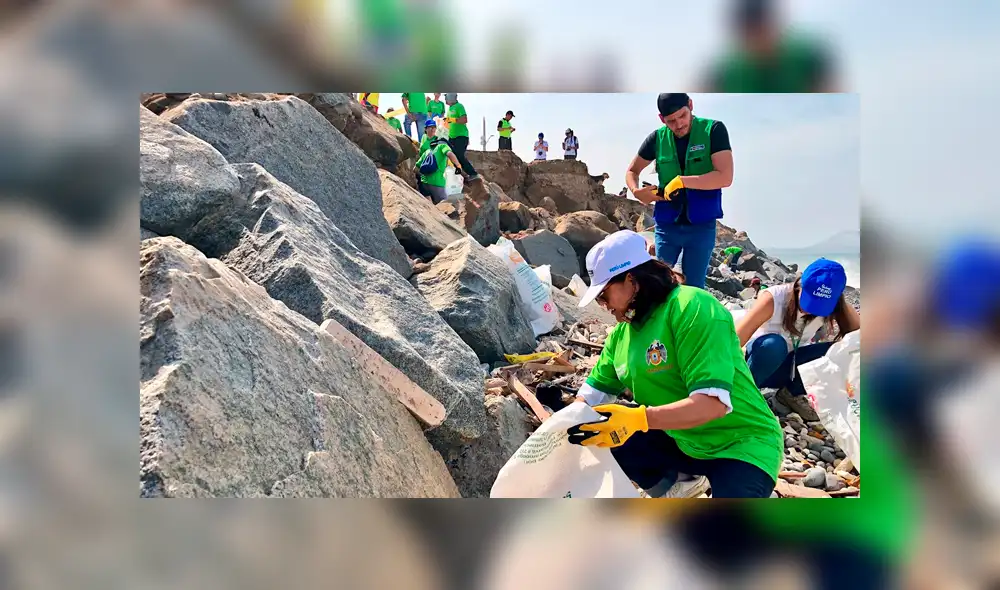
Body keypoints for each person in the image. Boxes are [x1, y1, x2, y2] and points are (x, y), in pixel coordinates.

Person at [567, 230, 783, 499]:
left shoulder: (692, 307)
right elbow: (589, 399)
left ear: (631, 280)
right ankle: (680, 485)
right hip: (684, 441)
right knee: (602, 426)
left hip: (741, 444)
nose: (603, 305)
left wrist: (640, 419)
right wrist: (560, 429)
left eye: (604, 295)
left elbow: (712, 404)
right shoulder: (621, 336)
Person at [625, 93, 734, 291]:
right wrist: (636, 190)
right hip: (667, 226)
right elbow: (632, 171)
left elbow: (725, 177)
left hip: (701, 226)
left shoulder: (713, 130)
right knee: (658, 285)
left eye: (682, 116)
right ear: (662, 119)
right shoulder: (657, 138)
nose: (679, 124)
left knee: (694, 288)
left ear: (690, 105)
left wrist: (682, 182)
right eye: (671, 121)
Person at [735, 259, 860, 396]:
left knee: (841, 351)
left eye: (821, 305)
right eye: (810, 300)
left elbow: (860, 339)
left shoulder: (835, 305)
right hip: (756, 364)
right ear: (800, 285)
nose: (811, 311)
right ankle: (742, 393)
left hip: (788, 368)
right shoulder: (774, 298)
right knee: (774, 345)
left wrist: (842, 305)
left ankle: (789, 396)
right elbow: (735, 340)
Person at [704, 0, 837, 93]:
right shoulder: (724, 75)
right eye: (748, 33)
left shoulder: (809, 60)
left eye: (760, 30)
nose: (756, 41)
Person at [415, 119, 463, 205]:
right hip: (437, 183)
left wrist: (425, 176)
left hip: (424, 183)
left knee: (429, 206)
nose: (432, 129)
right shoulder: (442, 146)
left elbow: (415, 169)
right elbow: (450, 154)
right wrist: (458, 166)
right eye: (430, 127)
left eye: (434, 127)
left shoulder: (427, 151)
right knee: (445, 206)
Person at [444, 93, 481, 182]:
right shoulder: (449, 109)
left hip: (461, 136)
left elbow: (464, 119)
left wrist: (452, 120)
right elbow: (449, 123)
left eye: (446, 97)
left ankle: (473, 174)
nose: (445, 99)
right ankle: (458, 175)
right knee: (450, 155)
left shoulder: (459, 106)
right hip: (451, 137)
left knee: (459, 155)